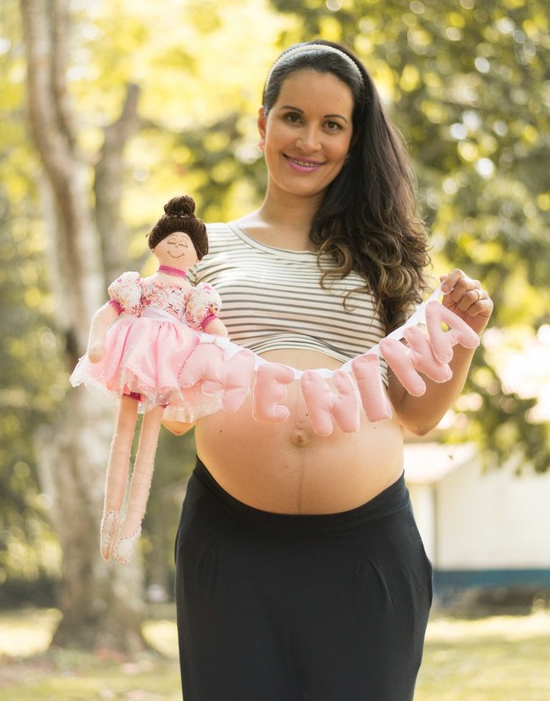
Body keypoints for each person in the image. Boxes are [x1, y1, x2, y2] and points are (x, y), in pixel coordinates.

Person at [169, 41, 494, 701]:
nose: (308, 139)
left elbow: (420, 413)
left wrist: (461, 337)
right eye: (293, 116)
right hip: (231, 546)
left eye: (332, 124)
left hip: (365, 549)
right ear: (261, 123)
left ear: (353, 139)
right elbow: (171, 401)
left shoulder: (386, 256)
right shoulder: (202, 247)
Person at [71, 195, 227, 564]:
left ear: (197, 254)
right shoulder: (138, 285)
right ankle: (110, 517)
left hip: (170, 367)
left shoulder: (196, 296)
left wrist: (225, 353)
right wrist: (96, 342)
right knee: (121, 436)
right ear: (156, 243)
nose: (176, 244)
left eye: (185, 241)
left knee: (148, 446)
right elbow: (105, 315)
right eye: (170, 238)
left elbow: (212, 328)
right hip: (135, 358)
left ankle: (130, 528)